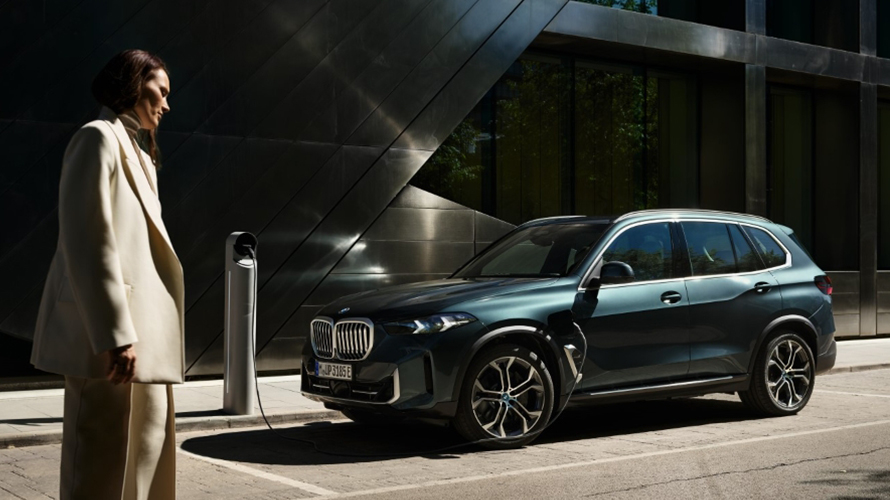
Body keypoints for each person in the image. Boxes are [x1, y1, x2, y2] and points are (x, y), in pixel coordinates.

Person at [30, 49, 184, 500]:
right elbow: (87, 241)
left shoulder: (140, 153)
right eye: (162, 90)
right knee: (98, 467)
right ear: (136, 83)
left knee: (146, 460)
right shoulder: (97, 138)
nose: (167, 104)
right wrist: (115, 334)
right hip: (111, 341)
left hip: (149, 342)